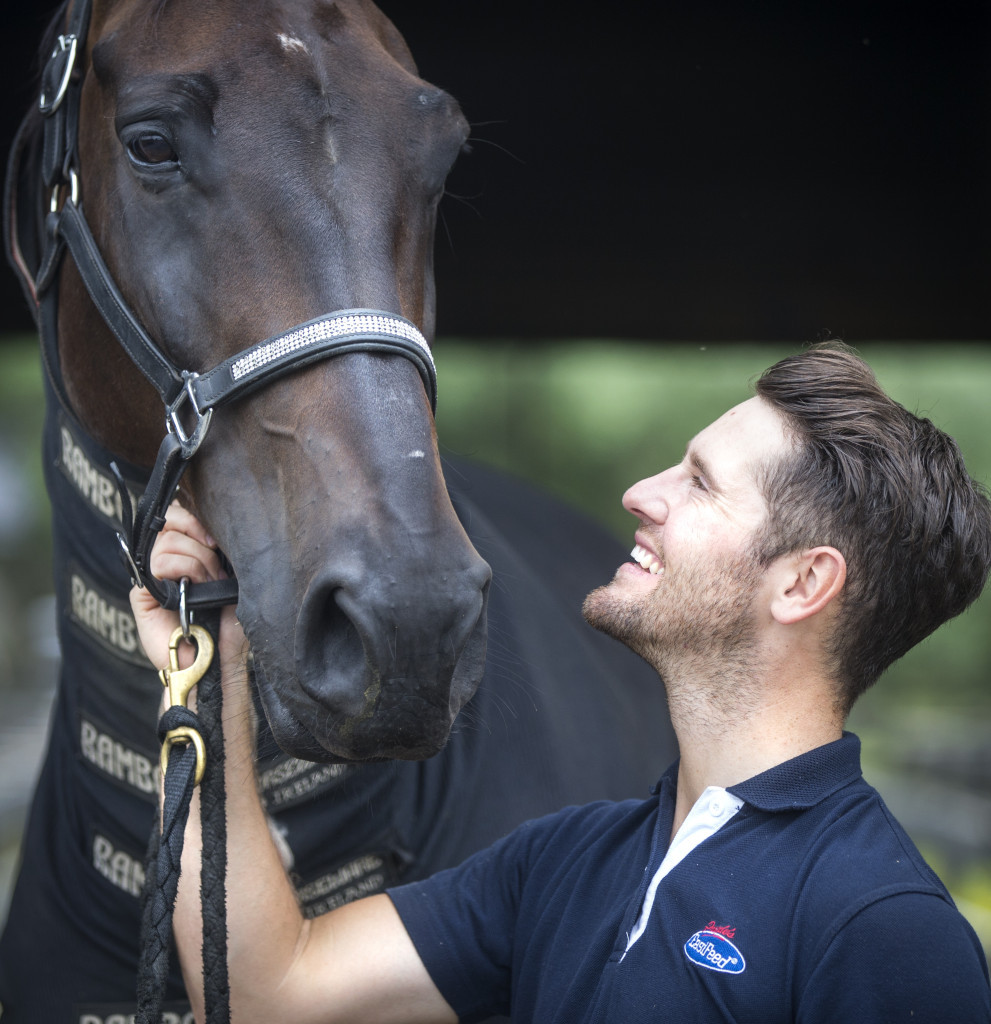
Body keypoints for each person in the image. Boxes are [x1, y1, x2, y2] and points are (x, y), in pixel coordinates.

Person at [132, 342, 991, 1023]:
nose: (640, 493)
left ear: (802, 584)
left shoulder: (885, 927)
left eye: (699, 483)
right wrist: (208, 676)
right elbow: (268, 997)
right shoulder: (567, 860)